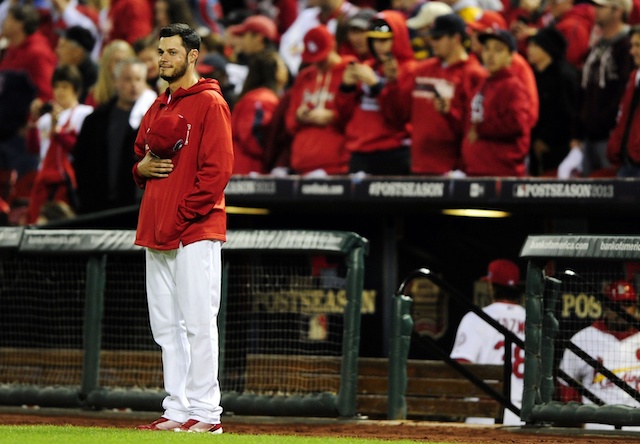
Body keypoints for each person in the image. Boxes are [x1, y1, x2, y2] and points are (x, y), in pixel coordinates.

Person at [133, 23, 233, 434]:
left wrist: (181, 216)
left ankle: (207, 413)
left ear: (192, 56)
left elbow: (217, 172)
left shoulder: (210, 103)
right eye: (161, 51)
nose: (163, 59)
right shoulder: (159, 105)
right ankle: (177, 408)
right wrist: (139, 169)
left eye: (172, 52)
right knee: (166, 328)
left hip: (195, 230)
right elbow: (139, 157)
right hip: (157, 229)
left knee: (198, 323)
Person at [378, 13, 487, 175]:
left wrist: (449, 113)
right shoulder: (422, 69)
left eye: (438, 38)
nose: (432, 43)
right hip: (419, 165)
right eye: (432, 38)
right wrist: (393, 84)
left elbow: (474, 127)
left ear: (456, 38)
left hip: (453, 168)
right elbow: (399, 114)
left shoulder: (474, 74)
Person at [336, 11, 415, 175]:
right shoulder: (367, 66)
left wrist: (377, 86)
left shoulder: (409, 70)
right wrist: (346, 88)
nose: (378, 45)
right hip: (360, 150)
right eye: (373, 39)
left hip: (393, 150)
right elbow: (344, 115)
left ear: (397, 38)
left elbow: (399, 116)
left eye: (384, 40)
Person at [74, 59, 156, 214]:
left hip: (135, 209)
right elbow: (82, 162)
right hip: (97, 207)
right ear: (115, 82)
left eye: (138, 79)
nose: (134, 85)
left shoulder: (152, 120)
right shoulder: (95, 121)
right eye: (127, 79)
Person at [450, 259, 525, 426]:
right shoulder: (535, 323)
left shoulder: (476, 318)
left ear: (491, 286)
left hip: (484, 411)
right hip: (523, 413)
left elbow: (461, 366)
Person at [558, 280, 640, 430]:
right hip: (597, 429)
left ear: (635, 307)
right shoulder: (583, 339)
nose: (622, 311)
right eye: (616, 306)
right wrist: (577, 424)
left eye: (627, 304)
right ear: (605, 307)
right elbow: (566, 387)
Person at [567, 0, 633, 177]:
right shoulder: (596, 47)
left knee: (613, 197)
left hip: (610, 137)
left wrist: (612, 129)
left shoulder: (629, 47)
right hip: (588, 137)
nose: (594, 10)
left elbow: (624, 93)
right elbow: (583, 91)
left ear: (618, 11)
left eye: (601, 6)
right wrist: (577, 132)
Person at [24, 65, 94, 225]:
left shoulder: (85, 114)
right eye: (56, 87)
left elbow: (80, 149)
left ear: (76, 89)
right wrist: (33, 120)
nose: (60, 91)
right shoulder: (45, 119)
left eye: (65, 86)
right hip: (45, 182)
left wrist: (58, 131)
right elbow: (34, 149)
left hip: (70, 183)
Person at [285, 25, 355, 175]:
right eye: (314, 59)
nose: (318, 62)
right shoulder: (305, 76)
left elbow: (358, 117)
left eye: (322, 57)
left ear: (333, 46)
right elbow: (290, 122)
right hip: (301, 164)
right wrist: (299, 116)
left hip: (337, 166)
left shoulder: (349, 70)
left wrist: (332, 117)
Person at [462, 29, 532, 177]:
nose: (490, 55)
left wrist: (481, 129)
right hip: (477, 169)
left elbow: (517, 124)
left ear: (510, 56)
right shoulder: (484, 83)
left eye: (498, 50)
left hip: (501, 173)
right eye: (487, 49)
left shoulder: (513, 86)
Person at [527, 26, 580, 176]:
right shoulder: (535, 75)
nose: (529, 49)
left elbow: (567, 113)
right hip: (536, 147)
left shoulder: (564, 76)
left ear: (548, 48)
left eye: (535, 45)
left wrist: (547, 140)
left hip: (559, 148)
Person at [232, 51, 289, 175]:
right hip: (250, 170)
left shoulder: (257, 97)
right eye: (282, 66)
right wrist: (273, 154)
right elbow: (252, 136)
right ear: (273, 71)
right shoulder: (260, 99)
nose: (286, 70)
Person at [607, 25, 640, 177]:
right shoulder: (634, 77)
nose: (632, 51)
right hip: (628, 160)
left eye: (638, 46)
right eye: (632, 45)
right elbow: (624, 116)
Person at [55, 25, 99, 103]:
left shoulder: (95, 77)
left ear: (77, 52)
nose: (57, 51)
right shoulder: (65, 71)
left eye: (62, 47)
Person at [85, 39, 136, 107]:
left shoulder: (145, 94)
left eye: (126, 61)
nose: (123, 66)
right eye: (118, 61)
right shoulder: (94, 97)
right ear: (108, 64)